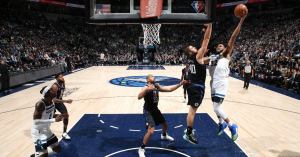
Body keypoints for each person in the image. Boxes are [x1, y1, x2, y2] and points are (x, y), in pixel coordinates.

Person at [211, 15, 246, 141]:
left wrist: (241, 20)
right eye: (218, 46)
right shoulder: (216, 58)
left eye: (221, 46)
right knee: (215, 107)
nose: (220, 47)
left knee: (216, 108)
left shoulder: (225, 54)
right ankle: (221, 124)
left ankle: (232, 126)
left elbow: (233, 37)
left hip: (222, 82)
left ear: (225, 48)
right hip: (215, 82)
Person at [138, 74, 187, 157]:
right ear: (147, 80)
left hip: (155, 109)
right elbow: (139, 97)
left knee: (164, 124)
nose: (154, 77)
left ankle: (164, 135)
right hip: (148, 111)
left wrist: (180, 84)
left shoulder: (156, 86)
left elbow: (170, 89)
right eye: (152, 76)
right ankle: (141, 149)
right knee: (151, 130)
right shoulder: (146, 87)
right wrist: (146, 90)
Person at [182, 23, 212, 144]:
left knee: (192, 109)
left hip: (192, 86)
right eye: (192, 48)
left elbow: (202, 61)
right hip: (196, 87)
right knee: (192, 110)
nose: (195, 47)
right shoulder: (196, 56)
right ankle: (188, 133)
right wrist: (210, 25)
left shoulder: (190, 60)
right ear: (190, 52)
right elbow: (206, 39)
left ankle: (188, 131)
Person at [31, 84, 64, 157]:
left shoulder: (52, 102)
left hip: (47, 130)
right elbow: (36, 121)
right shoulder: (40, 104)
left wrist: (58, 115)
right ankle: (38, 154)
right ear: (48, 93)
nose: (55, 91)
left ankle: (37, 154)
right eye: (53, 90)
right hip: (38, 132)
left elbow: (49, 115)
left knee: (57, 149)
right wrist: (54, 120)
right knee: (44, 155)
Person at [53, 73, 73, 140]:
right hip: (51, 103)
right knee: (49, 117)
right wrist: (66, 101)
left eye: (63, 76)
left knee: (66, 115)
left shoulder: (63, 83)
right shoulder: (55, 86)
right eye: (60, 77)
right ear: (56, 78)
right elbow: (54, 100)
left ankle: (64, 133)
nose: (62, 78)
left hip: (59, 102)